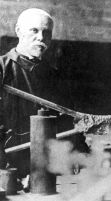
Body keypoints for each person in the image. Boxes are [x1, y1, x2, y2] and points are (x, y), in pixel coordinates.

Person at [0, 8, 78, 178]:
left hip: (47, 170)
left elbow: (67, 123)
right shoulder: (2, 68)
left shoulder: (55, 76)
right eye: (34, 30)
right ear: (19, 31)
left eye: (47, 32)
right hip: (8, 168)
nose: (41, 38)